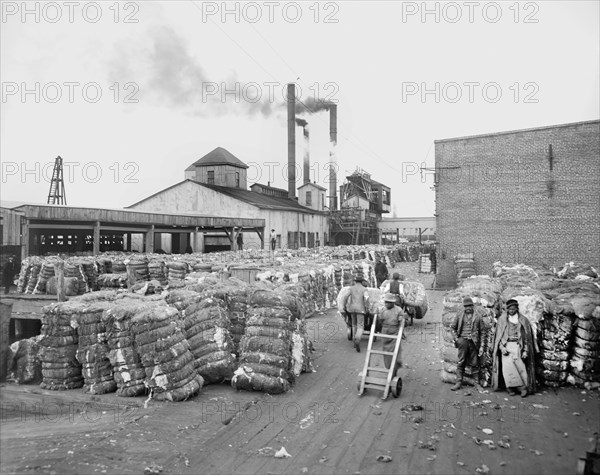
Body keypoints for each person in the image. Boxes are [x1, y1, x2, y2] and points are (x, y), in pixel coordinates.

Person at [491, 299, 538, 397]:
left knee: (520, 367)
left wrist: (525, 350)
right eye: (509, 309)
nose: (511, 311)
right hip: (506, 346)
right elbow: (498, 336)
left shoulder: (523, 320)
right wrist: (501, 347)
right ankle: (510, 388)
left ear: (517, 308)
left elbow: (526, 338)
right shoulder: (502, 320)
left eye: (513, 309)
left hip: (517, 346)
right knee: (507, 369)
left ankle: (523, 388)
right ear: (507, 309)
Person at [450, 296, 484, 391]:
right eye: (466, 306)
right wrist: (457, 339)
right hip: (462, 342)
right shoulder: (459, 315)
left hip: (473, 343)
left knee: (475, 363)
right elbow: (452, 328)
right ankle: (459, 382)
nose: (468, 308)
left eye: (469, 306)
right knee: (461, 362)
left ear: (472, 306)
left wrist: (481, 346)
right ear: (463, 307)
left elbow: (483, 332)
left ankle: (477, 383)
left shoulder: (478, 316)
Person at [379, 293, 408, 377]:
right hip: (385, 333)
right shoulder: (382, 310)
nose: (387, 304)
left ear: (393, 303)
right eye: (386, 302)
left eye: (389, 302)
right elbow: (380, 322)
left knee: (395, 352)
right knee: (386, 353)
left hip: (395, 332)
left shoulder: (398, 310)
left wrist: (403, 319)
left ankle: (394, 370)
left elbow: (403, 323)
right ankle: (389, 369)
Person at [341, 274, 369, 352]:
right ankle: (357, 338)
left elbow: (345, 296)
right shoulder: (364, 289)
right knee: (360, 326)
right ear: (362, 282)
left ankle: (354, 342)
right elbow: (366, 299)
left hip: (352, 309)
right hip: (361, 309)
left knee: (354, 324)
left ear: (355, 281)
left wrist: (344, 305)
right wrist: (367, 307)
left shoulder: (351, 288)